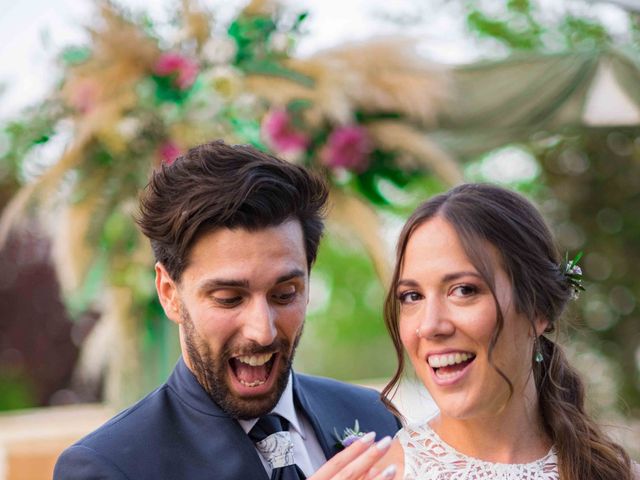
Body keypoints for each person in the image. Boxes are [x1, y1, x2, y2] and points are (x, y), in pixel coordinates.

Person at [53, 140, 400, 480]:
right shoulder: (105, 468)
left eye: (284, 294)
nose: (262, 331)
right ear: (169, 292)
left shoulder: (375, 418)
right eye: (229, 298)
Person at [377, 183, 638, 479]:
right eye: (412, 296)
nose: (430, 326)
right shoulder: (379, 474)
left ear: (537, 309)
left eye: (463, 290)